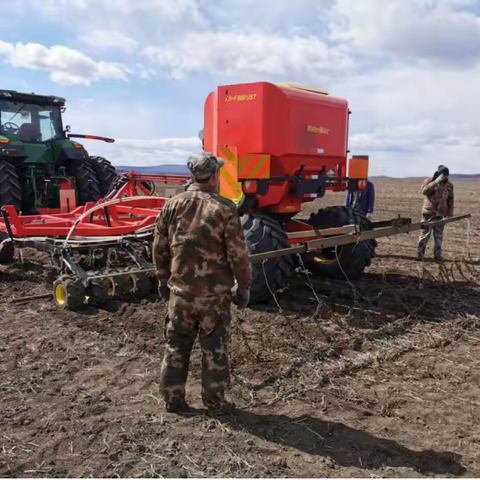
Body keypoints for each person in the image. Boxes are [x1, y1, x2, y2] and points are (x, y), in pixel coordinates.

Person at [153, 152, 252, 415]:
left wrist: (164, 281)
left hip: (180, 295)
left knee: (175, 346)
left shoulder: (172, 206)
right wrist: (243, 287)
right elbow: (238, 255)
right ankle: (214, 404)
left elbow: (159, 249)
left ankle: (172, 401)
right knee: (214, 350)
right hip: (214, 298)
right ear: (215, 175)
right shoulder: (225, 208)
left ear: (193, 176)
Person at [417, 165, 454, 261]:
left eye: (447, 175)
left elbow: (451, 200)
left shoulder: (450, 185)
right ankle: (420, 254)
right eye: (444, 175)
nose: (445, 177)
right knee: (425, 235)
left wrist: (450, 213)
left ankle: (437, 255)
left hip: (441, 214)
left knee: (438, 236)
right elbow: (424, 191)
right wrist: (435, 182)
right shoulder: (429, 181)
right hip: (429, 212)